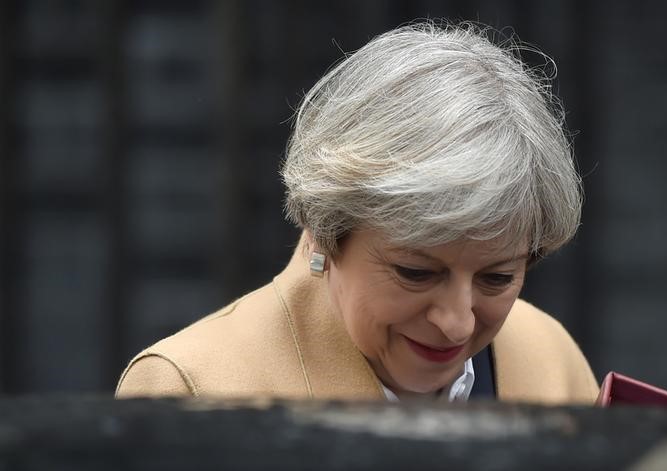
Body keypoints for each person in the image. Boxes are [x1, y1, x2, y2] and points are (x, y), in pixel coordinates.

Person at [116, 21, 599, 404]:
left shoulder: (550, 361)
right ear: (326, 232)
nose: (457, 322)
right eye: (416, 273)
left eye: (496, 278)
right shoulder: (191, 392)